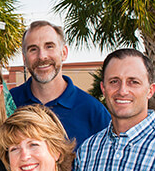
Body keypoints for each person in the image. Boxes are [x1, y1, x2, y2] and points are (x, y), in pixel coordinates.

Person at [9, 20, 110, 149]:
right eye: (33, 49)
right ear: (24, 58)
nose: (42, 56)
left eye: (49, 46)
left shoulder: (93, 111)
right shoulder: (8, 103)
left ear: (64, 53)